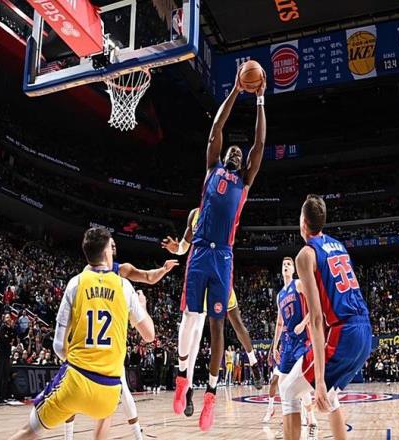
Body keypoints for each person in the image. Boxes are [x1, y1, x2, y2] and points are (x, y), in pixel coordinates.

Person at [168, 67, 266, 432]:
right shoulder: (212, 169)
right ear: (224, 155)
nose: (237, 153)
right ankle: (182, 378)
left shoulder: (244, 182)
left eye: (241, 153)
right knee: (189, 319)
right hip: (199, 253)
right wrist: (236, 90)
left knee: (218, 325)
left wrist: (260, 100)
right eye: (232, 151)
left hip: (223, 256)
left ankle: (210, 394)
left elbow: (259, 145)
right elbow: (216, 130)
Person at [9, 227, 155, 440]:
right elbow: (149, 335)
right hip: (108, 389)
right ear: (106, 252)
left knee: (28, 431)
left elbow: (58, 346)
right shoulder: (124, 286)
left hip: (76, 381)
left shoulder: (75, 283)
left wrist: (77, 366)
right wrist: (142, 306)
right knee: (106, 414)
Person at [64, 238, 179, 440]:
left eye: (114, 243)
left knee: (106, 393)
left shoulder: (119, 270)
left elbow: (147, 277)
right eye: (110, 243)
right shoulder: (88, 275)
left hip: (106, 344)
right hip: (93, 344)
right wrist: (141, 306)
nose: (114, 246)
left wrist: (163, 269)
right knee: (115, 395)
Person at [279, 195, 372, 440]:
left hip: (343, 333)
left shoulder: (306, 255)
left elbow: (317, 318)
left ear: (303, 222)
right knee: (330, 396)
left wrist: (319, 379)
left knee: (287, 390)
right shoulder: (339, 246)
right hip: (364, 330)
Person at [162, 206, 264, 417]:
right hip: (200, 274)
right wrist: (177, 249)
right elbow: (184, 246)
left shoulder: (225, 209)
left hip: (219, 273)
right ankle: (188, 389)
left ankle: (254, 362)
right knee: (194, 335)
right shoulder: (194, 214)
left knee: (236, 323)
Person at [274, 257, 318, 439]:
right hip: (287, 343)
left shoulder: (298, 284)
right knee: (283, 385)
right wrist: (274, 346)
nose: (286, 266)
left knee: (300, 383)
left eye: (289, 264)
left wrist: (303, 323)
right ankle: (288, 424)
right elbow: (279, 323)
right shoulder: (279, 296)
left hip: (302, 341)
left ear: (293, 269)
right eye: (283, 264)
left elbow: (315, 303)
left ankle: (312, 420)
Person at [0, 312, 15, 404]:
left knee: (5, 377)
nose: (8, 319)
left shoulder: (11, 329)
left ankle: (3, 397)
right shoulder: (2, 327)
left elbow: (13, 339)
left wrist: (10, 339)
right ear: (4, 319)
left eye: (9, 317)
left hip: (7, 355)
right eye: (7, 317)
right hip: (0, 355)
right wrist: (9, 340)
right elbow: (4, 339)